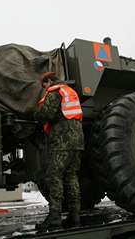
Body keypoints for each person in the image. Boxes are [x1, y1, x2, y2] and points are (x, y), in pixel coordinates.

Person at [34, 72, 84, 231]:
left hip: (63, 139)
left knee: (54, 175)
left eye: (44, 85)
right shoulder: (70, 91)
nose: (45, 88)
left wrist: (36, 113)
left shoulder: (55, 92)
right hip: (78, 140)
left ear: (50, 81)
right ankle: (75, 216)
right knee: (71, 176)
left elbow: (46, 113)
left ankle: (55, 216)